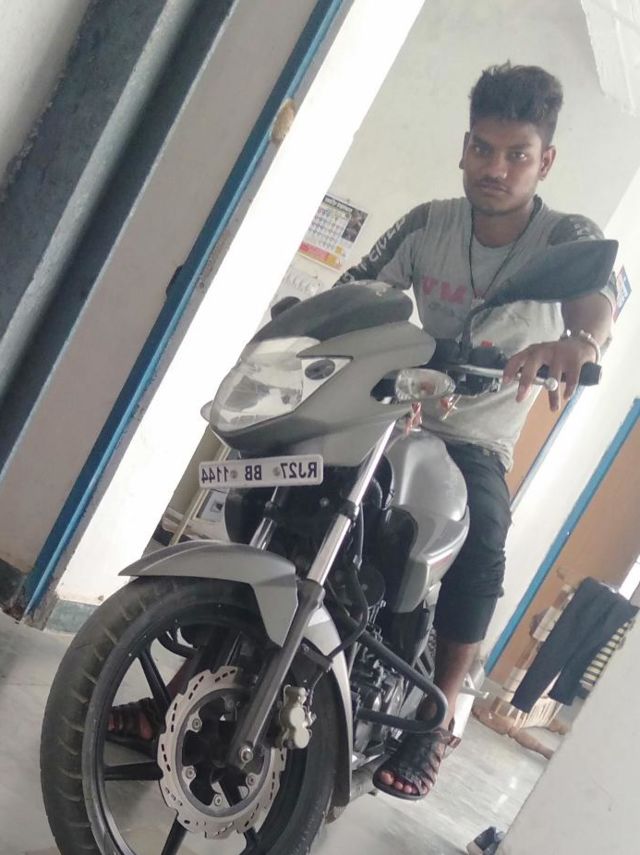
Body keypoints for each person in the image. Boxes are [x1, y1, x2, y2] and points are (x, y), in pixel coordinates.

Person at [334, 62, 616, 800]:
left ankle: (436, 715)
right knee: (300, 479)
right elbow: (357, 286)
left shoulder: (564, 239)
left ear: (544, 162)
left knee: (484, 534)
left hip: (474, 442)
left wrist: (580, 343)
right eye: (483, 149)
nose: (496, 168)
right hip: (397, 415)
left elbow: (600, 295)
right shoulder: (428, 223)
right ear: (464, 147)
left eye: (517, 154)